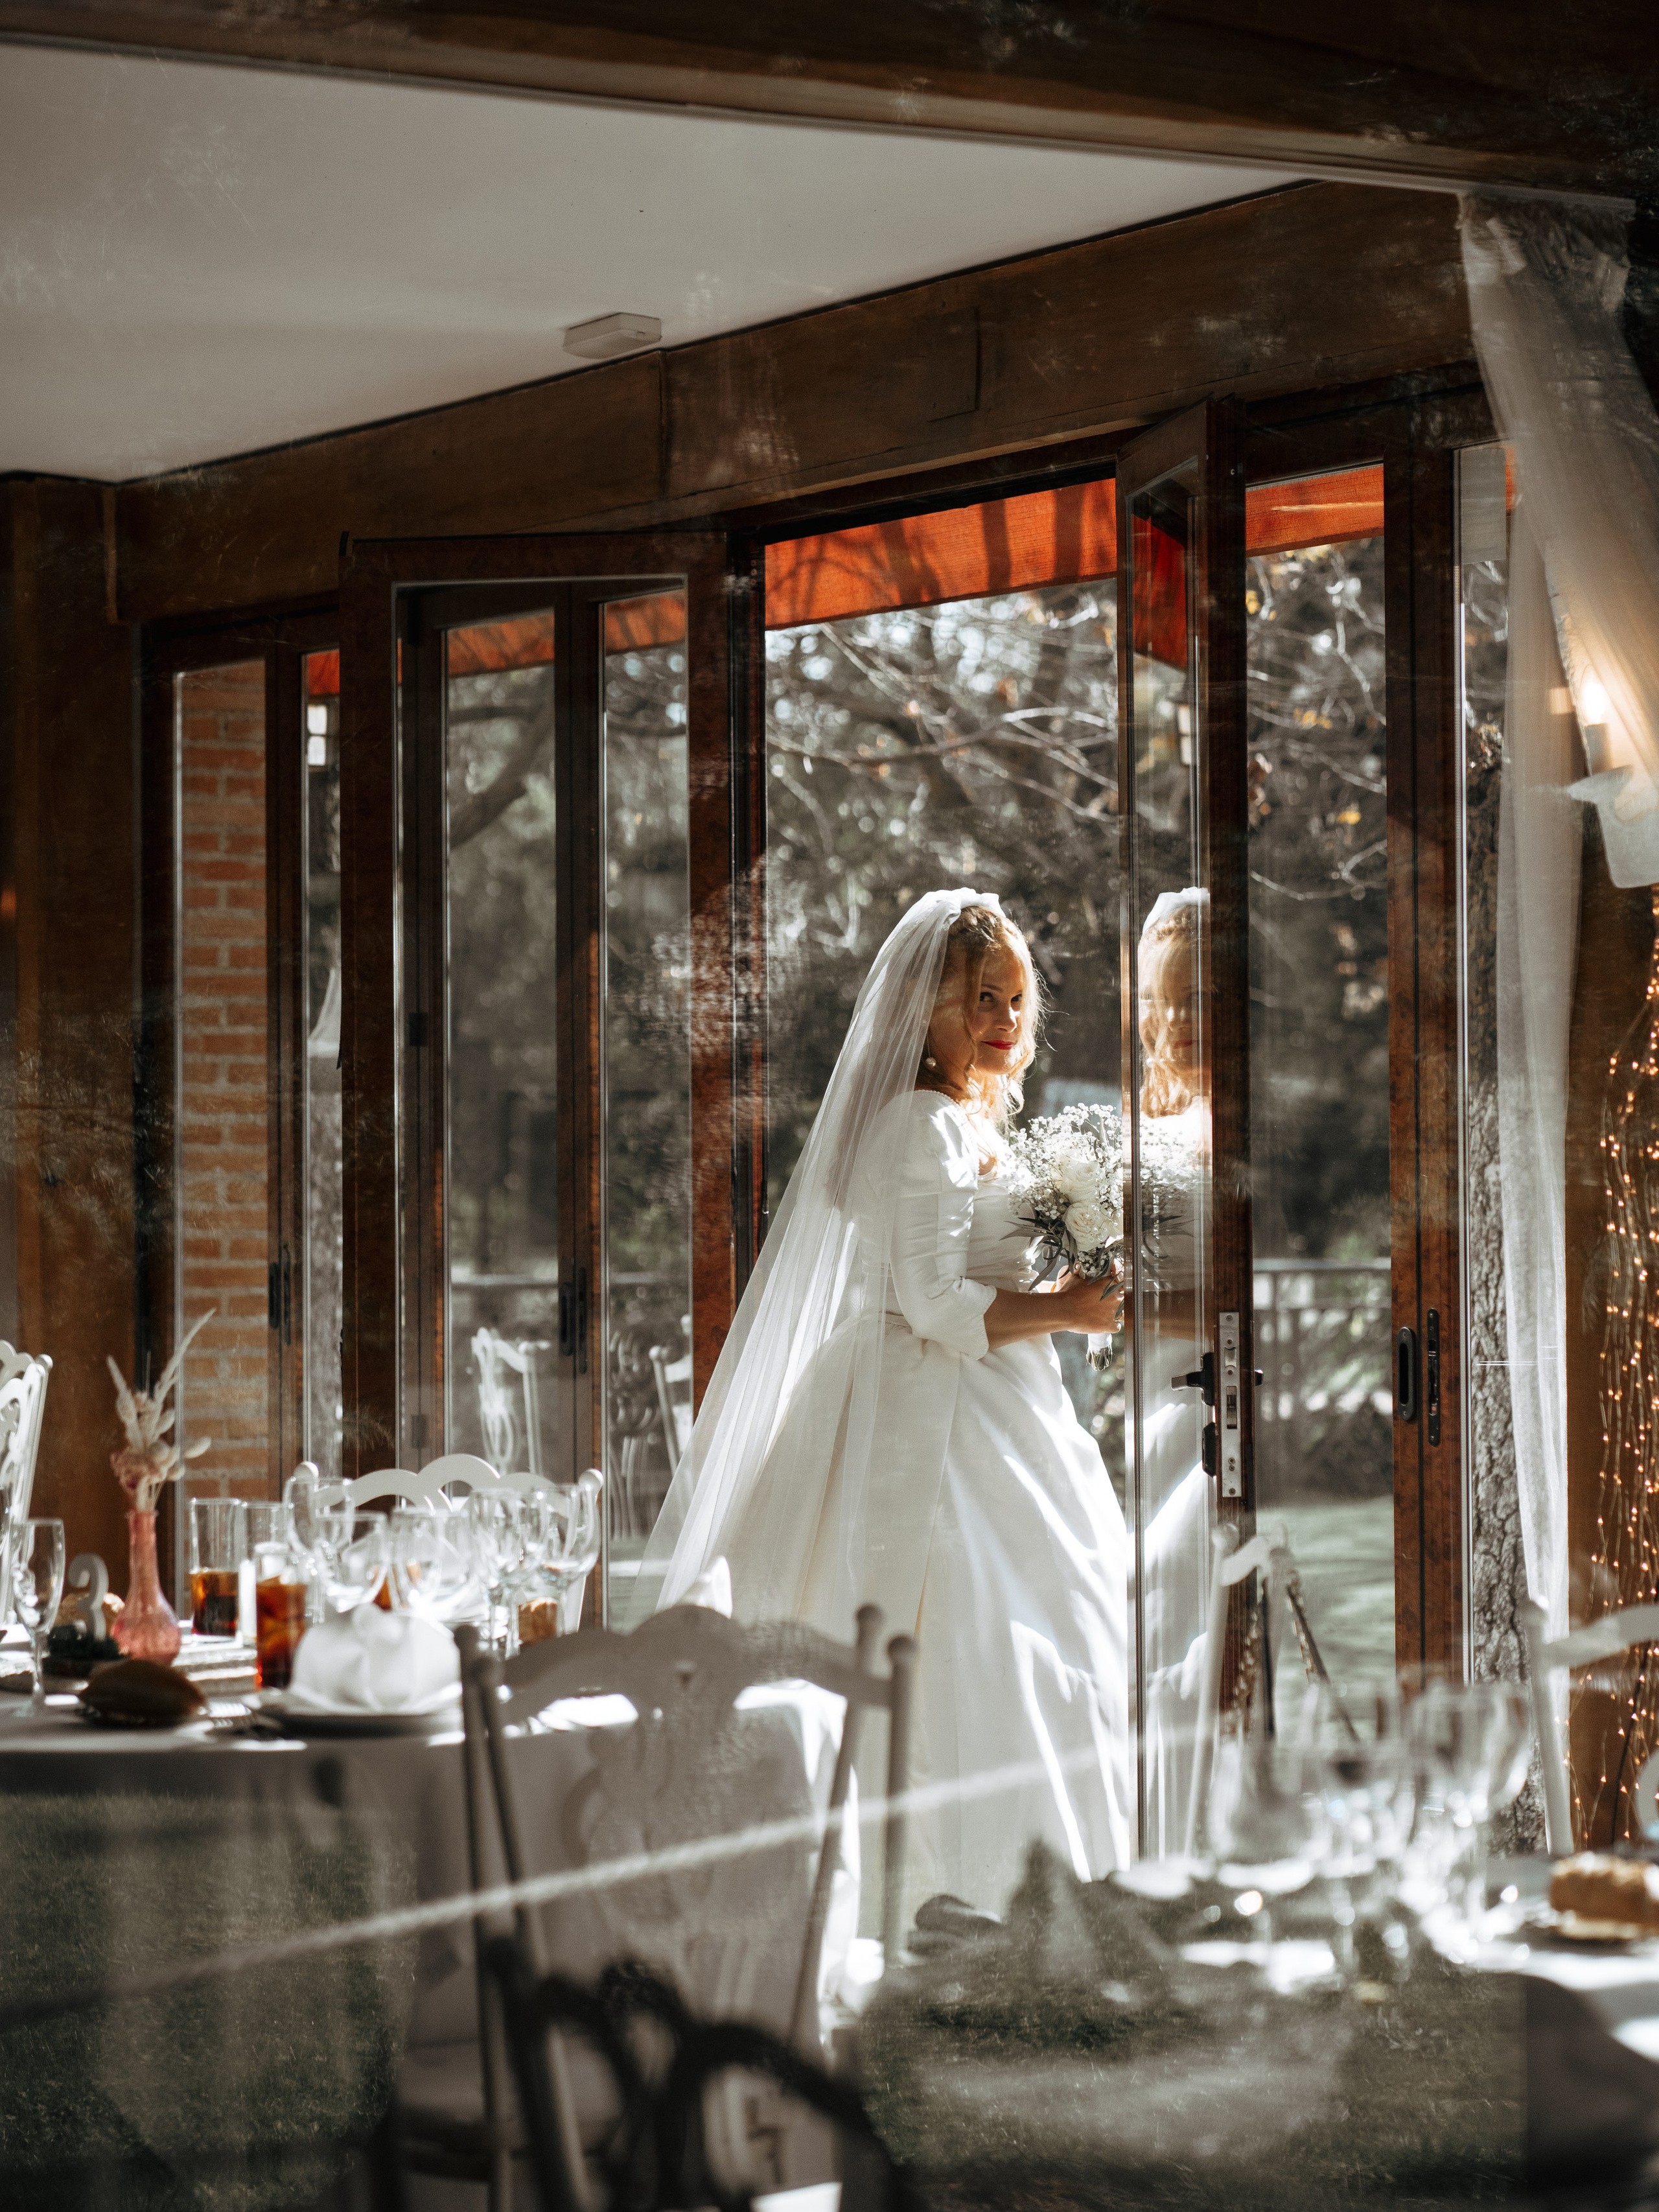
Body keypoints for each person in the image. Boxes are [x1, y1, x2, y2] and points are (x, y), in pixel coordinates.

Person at [637, 889, 1131, 1913]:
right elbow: (932, 1302)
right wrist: (1068, 1308)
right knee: (973, 1643)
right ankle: (951, 1907)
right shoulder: (922, 1126)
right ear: (925, 1011)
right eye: (979, 1000)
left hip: (985, 1402)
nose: (1002, 1020)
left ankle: (1033, 1909)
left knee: (1036, 1639)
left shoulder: (959, 1121)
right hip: (926, 1418)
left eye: (1014, 1000)